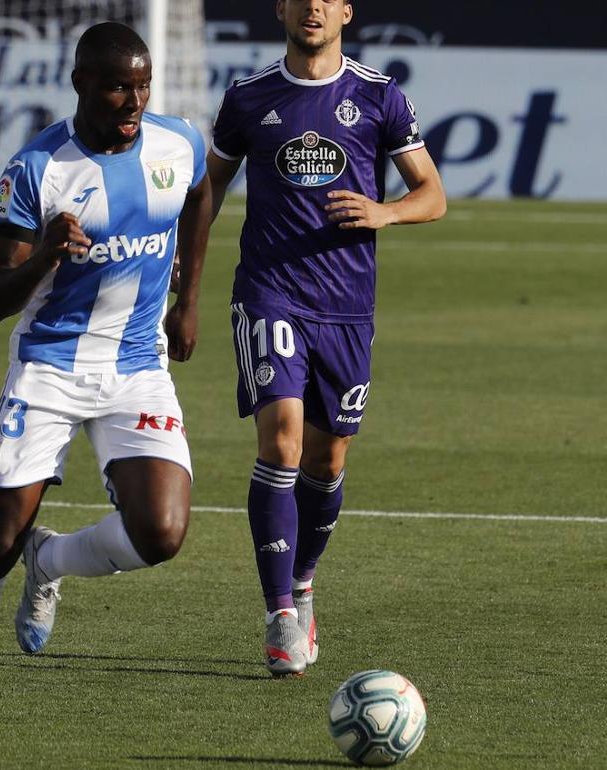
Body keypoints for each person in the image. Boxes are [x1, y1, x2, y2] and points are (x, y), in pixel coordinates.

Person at [0, 22, 213, 746]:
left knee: (162, 533)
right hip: (49, 367)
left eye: (142, 86)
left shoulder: (177, 143)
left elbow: (200, 196)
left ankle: (54, 558)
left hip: (137, 365)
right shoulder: (37, 169)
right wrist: (47, 252)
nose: (134, 100)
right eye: (117, 86)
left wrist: (189, 297)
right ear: (81, 84)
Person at [205, 0, 445, 678]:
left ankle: (303, 581)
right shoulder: (249, 99)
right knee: (280, 437)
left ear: (345, 10)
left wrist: (384, 212)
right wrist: (183, 286)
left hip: (347, 308)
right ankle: (280, 613)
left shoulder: (378, 97)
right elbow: (208, 191)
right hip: (268, 292)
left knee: (327, 460)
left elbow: (432, 194)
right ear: (280, 7)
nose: (312, 6)